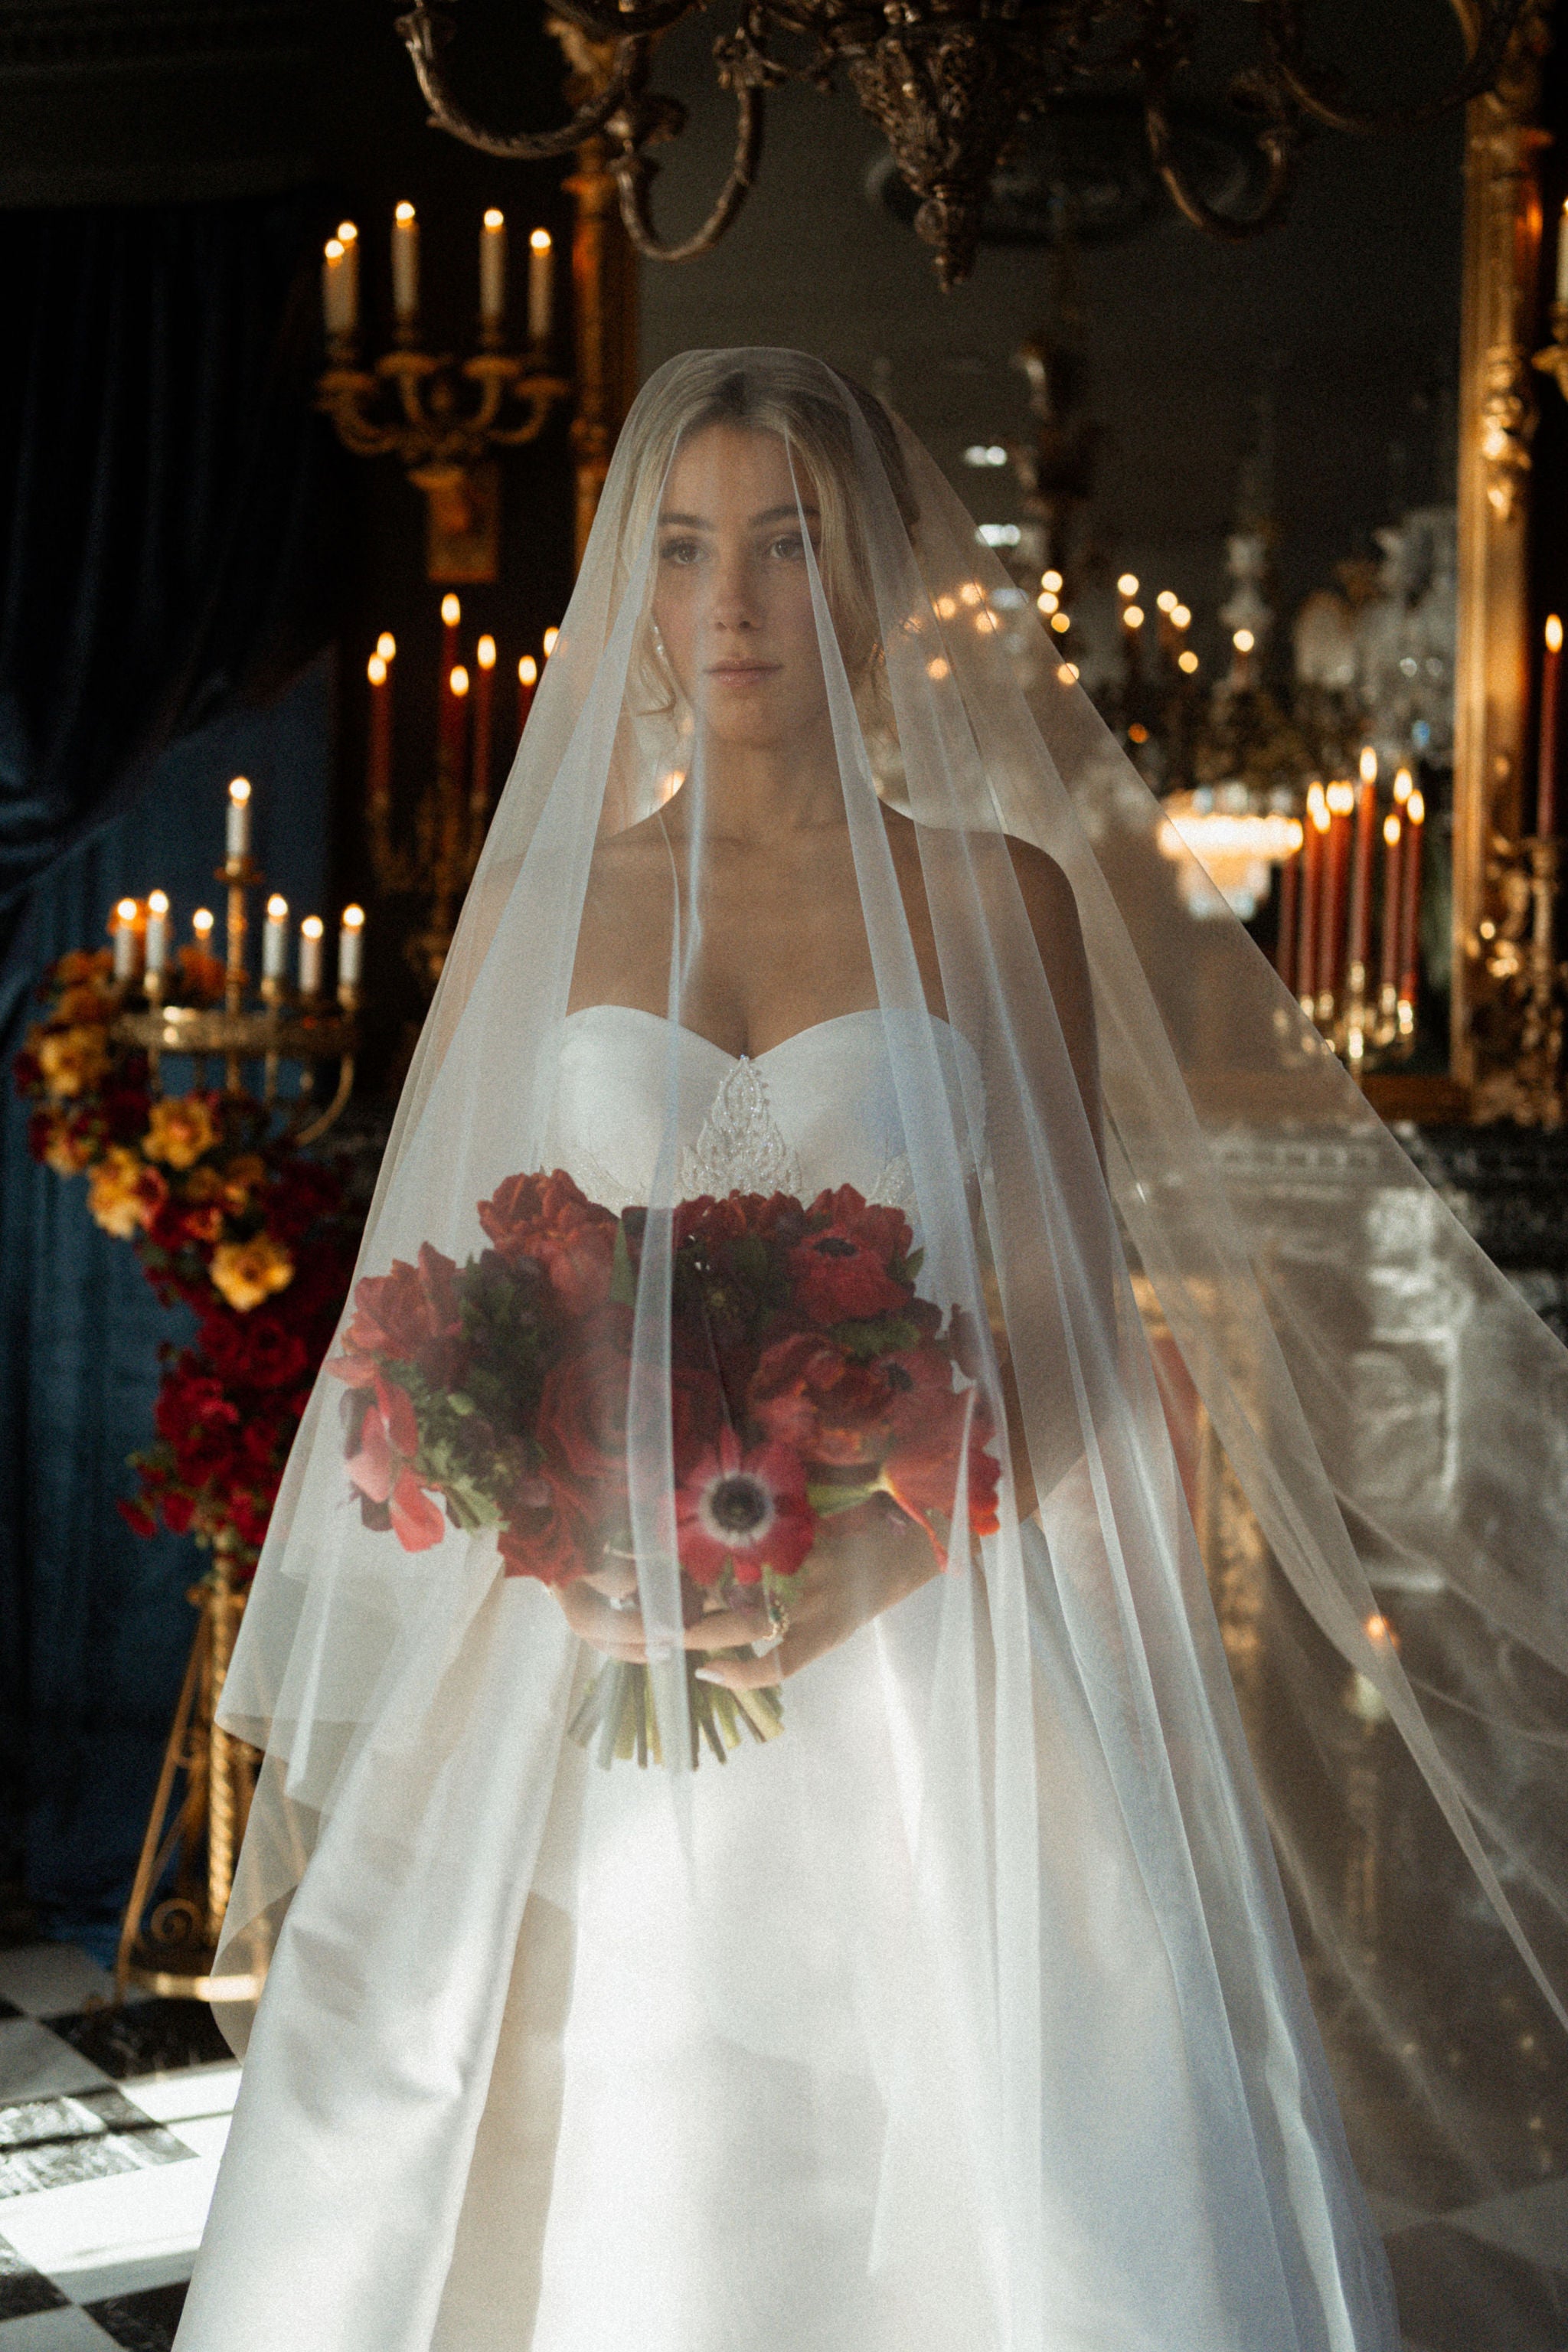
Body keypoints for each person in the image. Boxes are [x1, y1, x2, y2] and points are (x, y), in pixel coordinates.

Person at [175, 351, 1568, 2352]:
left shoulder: (996, 898)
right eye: (683, 549)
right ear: (633, 597)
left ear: (878, 584)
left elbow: (1077, 1335)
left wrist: (865, 1565)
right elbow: (439, 1330)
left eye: (788, 545)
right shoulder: (540, 907)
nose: (732, 601)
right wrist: (569, 1535)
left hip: (931, 1647)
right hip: (583, 1658)